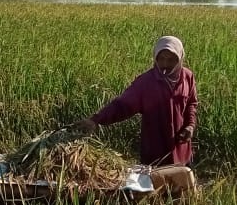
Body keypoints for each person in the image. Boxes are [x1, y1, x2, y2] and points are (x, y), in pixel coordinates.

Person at [76, 35, 198, 166]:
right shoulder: (146, 82)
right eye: (161, 59)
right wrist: (96, 119)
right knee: (155, 185)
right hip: (155, 152)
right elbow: (122, 105)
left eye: (171, 60)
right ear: (155, 58)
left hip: (181, 150)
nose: (165, 64)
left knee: (182, 184)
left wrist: (190, 125)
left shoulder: (187, 77)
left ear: (180, 59)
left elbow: (191, 103)